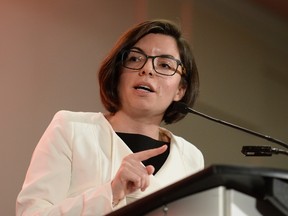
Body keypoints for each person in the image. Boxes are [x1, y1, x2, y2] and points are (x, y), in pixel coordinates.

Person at [16, 19, 204, 216]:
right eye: (134, 58)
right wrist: (111, 193)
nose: (147, 69)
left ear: (180, 90)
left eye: (165, 64)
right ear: (117, 74)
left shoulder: (190, 158)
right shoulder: (71, 129)